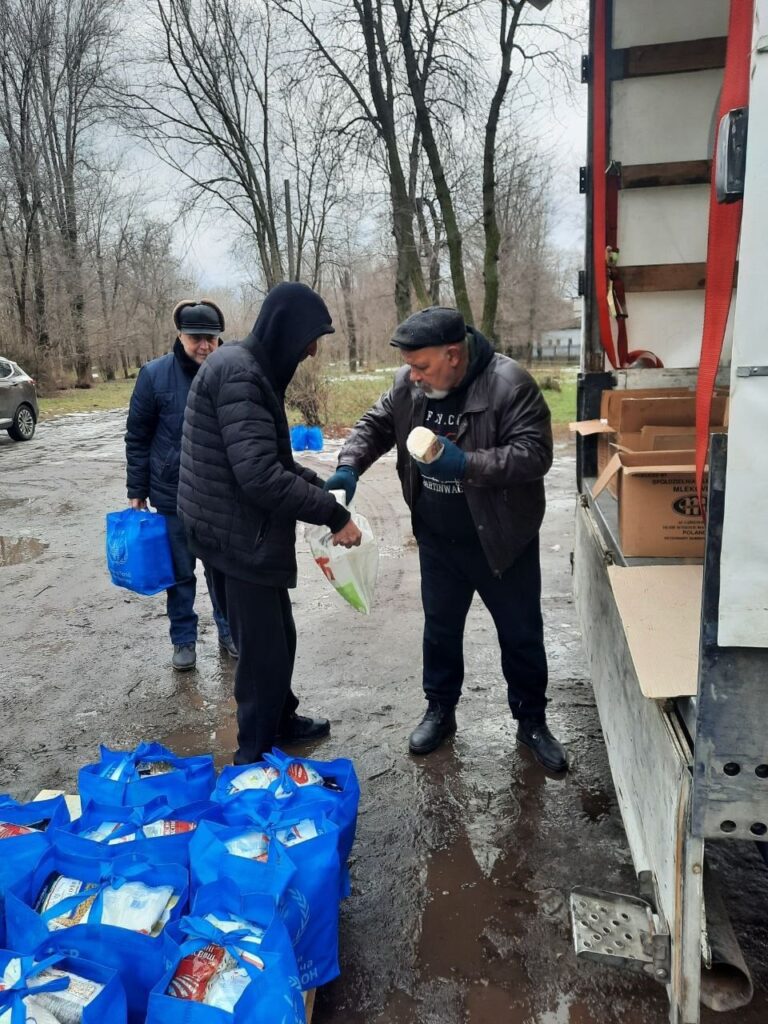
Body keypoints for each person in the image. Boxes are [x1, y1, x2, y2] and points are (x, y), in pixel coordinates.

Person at [325, 306, 568, 772]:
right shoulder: (409, 384)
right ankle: (440, 711)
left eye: (422, 366)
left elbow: (535, 454)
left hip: (501, 539)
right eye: (410, 367)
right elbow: (376, 423)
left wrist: (468, 465)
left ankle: (532, 722)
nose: (413, 376)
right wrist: (349, 465)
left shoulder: (509, 385)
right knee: (439, 631)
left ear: (453, 355)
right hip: (439, 539)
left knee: (520, 634)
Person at [177, 282, 362, 765]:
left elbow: (269, 459)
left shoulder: (246, 367)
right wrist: (333, 515)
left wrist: (318, 486)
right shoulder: (241, 375)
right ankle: (254, 758)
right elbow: (260, 477)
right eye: (308, 343)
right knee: (263, 655)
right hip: (237, 537)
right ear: (286, 333)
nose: (309, 354)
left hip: (235, 529)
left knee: (279, 639)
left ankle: (280, 720)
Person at [125, 299, 236, 672]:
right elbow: (138, 437)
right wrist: (137, 489)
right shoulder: (154, 375)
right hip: (172, 494)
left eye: (211, 338)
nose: (204, 345)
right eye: (196, 338)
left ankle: (228, 630)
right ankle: (183, 640)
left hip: (220, 496)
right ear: (180, 335)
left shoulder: (230, 372)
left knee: (222, 571)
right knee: (180, 574)